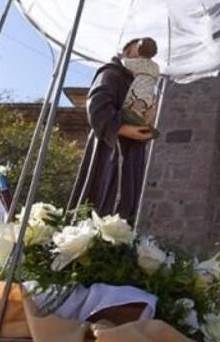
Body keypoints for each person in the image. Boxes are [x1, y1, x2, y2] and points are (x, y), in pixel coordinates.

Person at [68, 38, 157, 221]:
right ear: (128, 51)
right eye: (139, 50)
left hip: (132, 150)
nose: (144, 58)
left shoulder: (142, 81)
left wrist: (146, 121)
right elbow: (97, 109)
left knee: (127, 201)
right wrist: (124, 129)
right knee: (106, 199)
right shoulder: (111, 73)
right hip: (110, 148)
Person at [119, 37, 161, 135]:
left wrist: (121, 57)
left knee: (137, 98)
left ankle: (135, 112)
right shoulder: (155, 66)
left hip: (140, 82)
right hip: (149, 86)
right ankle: (143, 117)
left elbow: (125, 63)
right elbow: (157, 75)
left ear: (139, 49)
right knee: (146, 101)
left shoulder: (137, 62)